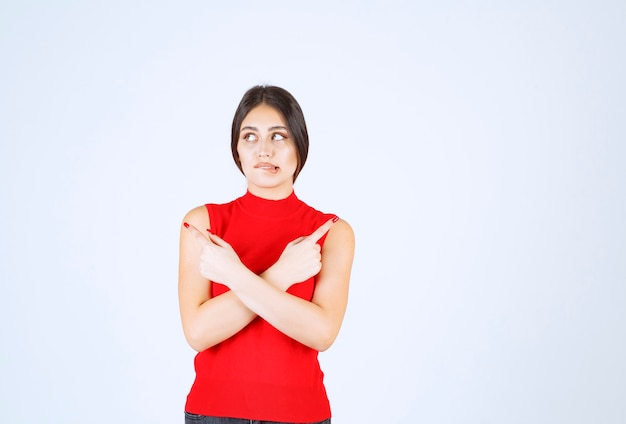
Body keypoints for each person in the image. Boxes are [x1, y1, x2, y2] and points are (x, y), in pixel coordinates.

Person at [178, 85, 355, 424]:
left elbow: (321, 333)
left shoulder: (331, 231)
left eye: (278, 137)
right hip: (213, 413)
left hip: (301, 414)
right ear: (237, 150)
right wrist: (281, 275)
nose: (263, 150)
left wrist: (235, 276)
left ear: (299, 146)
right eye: (250, 137)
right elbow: (199, 333)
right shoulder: (203, 224)